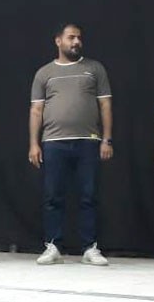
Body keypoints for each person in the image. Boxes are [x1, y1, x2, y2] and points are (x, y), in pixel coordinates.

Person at [29, 23, 113, 266]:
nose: (76, 42)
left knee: (89, 195)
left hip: (89, 140)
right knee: (53, 196)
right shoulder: (44, 73)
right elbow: (36, 110)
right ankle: (53, 245)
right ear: (58, 41)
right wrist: (33, 144)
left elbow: (105, 105)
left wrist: (107, 139)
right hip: (53, 142)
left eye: (79, 38)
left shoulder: (94, 69)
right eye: (71, 37)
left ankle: (90, 247)